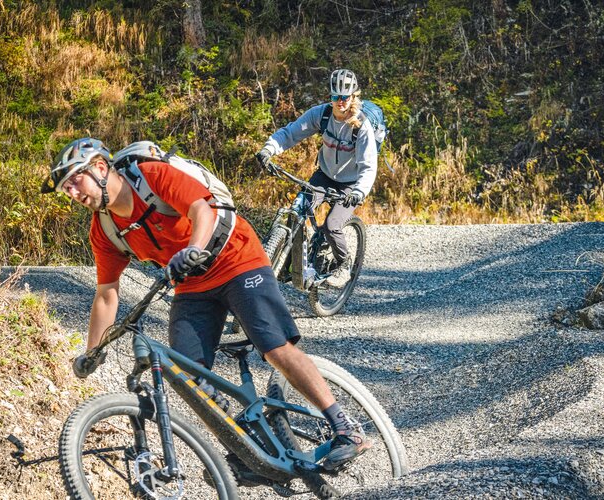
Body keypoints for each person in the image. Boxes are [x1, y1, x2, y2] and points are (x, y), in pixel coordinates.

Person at [40, 137, 371, 471]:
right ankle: (250, 449)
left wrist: (193, 248)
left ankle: (345, 427)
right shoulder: (105, 230)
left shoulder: (151, 176)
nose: (73, 192)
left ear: (100, 167)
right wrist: (93, 350)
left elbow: (201, 208)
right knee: (188, 376)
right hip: (192, 283)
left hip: (236, 259)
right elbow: (107, 293)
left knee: (274, 347)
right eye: (67, 189)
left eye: (75, 180)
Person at [256, 68, 378, 288]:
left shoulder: (362, 126)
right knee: (297, 210)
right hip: (325, 176)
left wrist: (359, 192)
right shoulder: (321, 115)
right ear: (330, 96)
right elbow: (290, 133)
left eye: (345, 97)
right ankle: (286, 263)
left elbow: (368, 166)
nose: (340, 102)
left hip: (351, 185)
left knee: (332, 225)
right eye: (336, 96)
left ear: (353, 97)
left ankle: (343, 264)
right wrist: (268, 149)